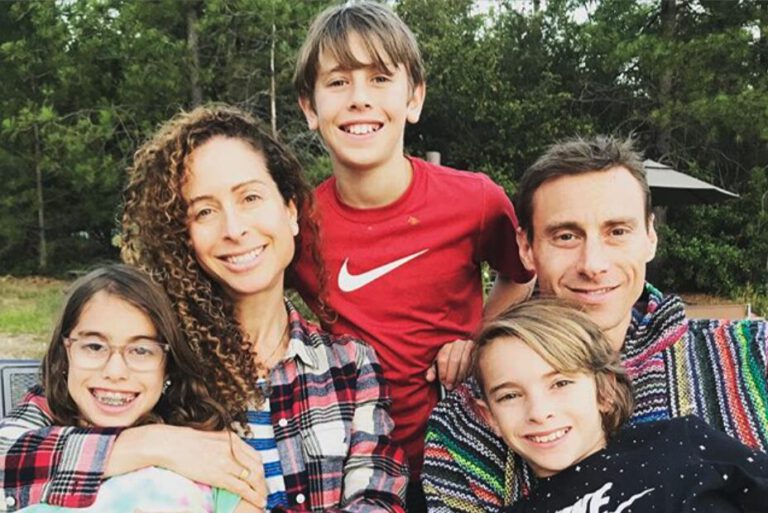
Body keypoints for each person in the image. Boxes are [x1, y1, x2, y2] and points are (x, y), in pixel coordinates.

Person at [2, 105, 408, 513]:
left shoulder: (348, 366)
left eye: (250, 197)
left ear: (290, 211)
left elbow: (378, 502)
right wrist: (153, 444)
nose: (234, 229)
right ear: (182, 236)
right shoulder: (152, 350)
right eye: (205, 211)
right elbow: (9, 451)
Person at [423, 135, 768, 512]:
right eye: (566, 236)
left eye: (617, 232)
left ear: (650, 237)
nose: (593, 264)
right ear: (526, 248)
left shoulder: (755, 354)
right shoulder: (464, 423)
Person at [291, 3, 536, 507]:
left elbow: (521, 276)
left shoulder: (476, 200)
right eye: (338, 82)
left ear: (414, 97)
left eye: (380, 78)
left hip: (466, 460)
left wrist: (479, 337)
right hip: (349, 472)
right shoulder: (294, 226)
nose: (360, 98)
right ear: (310, 108)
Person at [0, 264, 255, 513]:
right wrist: (153, 444)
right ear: (64, 355)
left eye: (141, 350)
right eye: (94, 347)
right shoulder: (44, 411)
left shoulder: (203, 451)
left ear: (168, 366)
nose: (115, 372)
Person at [474, 299, 768, 513]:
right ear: (490, 418)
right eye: (510, 396)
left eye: (560, 383)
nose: (539, 413)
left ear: (605, 392)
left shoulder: (678, 440)